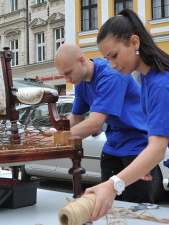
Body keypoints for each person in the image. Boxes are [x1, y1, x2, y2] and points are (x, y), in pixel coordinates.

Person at [85, 8, 169, 221]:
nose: (112, 65)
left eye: (114, 56)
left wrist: (113, 185)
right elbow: (158, 135)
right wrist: (144, 163)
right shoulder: (152, 75)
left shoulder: (163, 83)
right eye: (107, 59)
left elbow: (158, 149)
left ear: (134, 42)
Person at [53, 43, 156, 203]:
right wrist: (54, 133)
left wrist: (57, 139)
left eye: (68, 73)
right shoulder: (80, 82)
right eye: (63, 75)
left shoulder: (111, 75)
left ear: (81, 60)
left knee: (136, 208)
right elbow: (77, 118)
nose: (67, 79)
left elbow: (95, 124)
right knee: (109, 205)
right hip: (112, 147)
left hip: (137, 147)